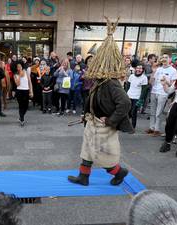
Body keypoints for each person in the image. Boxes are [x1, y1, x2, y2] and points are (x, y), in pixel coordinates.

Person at [68, 17, 132, 186]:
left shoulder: (111, 83)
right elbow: (93, 101)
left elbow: (125, 103)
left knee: (104, 156)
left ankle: (120, 172)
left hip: (103, 126)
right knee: (87, 151)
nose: (90, 69)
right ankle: (83, 177)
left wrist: (111, 120)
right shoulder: (99, 82)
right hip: (92, 122)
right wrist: (87, 114)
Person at [147, 54, 177, 137]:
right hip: (154, 92)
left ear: (170, 59)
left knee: (158, 112)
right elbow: (151, 82)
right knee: (152, 111)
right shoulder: (158, 69)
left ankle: (157, 129)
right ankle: (151, 128)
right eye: (163, 57)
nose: (164, 59)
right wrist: (153, 72)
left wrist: (167, 81)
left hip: (163, 93)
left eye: (166, 57)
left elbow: (174, 84)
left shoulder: (173, 70)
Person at [127, 64, 148, 129]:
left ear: (142, 70)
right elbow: (127, 86)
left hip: (137, 97)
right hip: (129, 96)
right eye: (137, 68)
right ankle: (125, 125)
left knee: (134, 112)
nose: (138, 70)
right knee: (127, 112)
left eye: (140, 68)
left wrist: (141, 99)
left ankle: (133, 127)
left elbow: (144, 90)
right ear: (135, 69)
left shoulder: (144, 78)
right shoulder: (131, 76)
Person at [14, 62, 33, 126]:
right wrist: (19, 76)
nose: (19, 68)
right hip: (19, 91)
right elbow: (17, 84)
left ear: (22, 66)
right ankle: (22, 119)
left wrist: (31, 91)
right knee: (21, 105)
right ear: (16, 68)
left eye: (20, 66)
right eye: (18, 67)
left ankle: (21, 116)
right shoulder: (15, 75)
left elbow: (30, 83)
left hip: (26, 91)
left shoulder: (26, 72)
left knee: (26, 106)